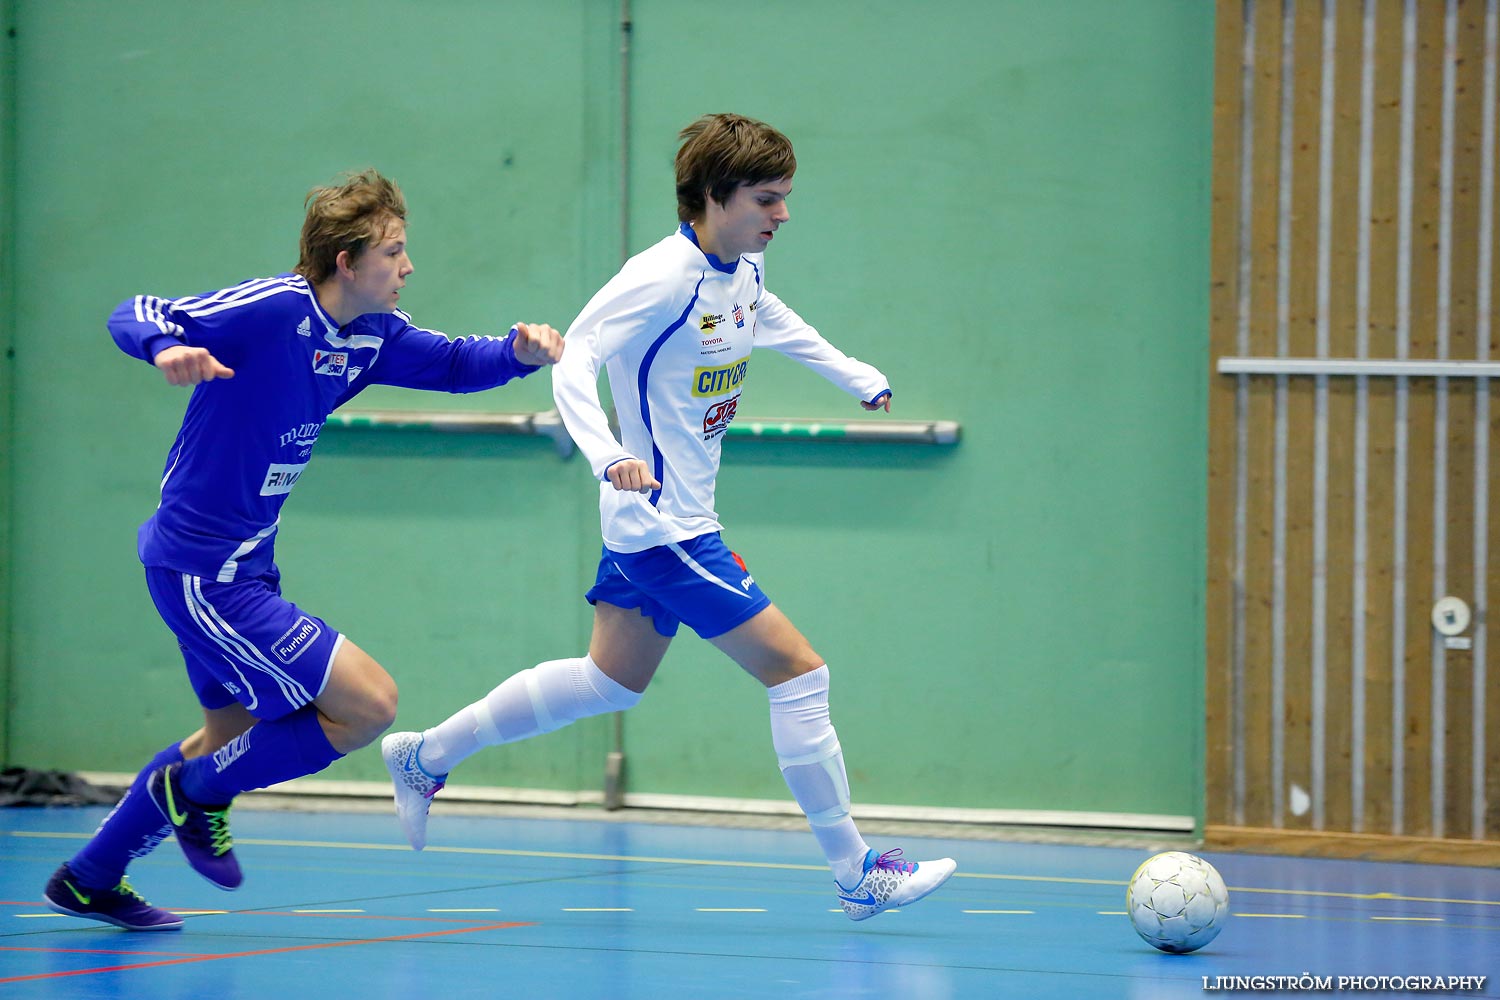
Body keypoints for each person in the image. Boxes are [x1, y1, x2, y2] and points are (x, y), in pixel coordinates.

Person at [382, 114, 955, 922]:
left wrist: (853, 374)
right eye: (766, 199)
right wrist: (606, 455)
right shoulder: (658, 277)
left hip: (663, 525)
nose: (781, 215)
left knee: (607, 684)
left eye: (785, 198)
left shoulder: (740, 269)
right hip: (667, 527)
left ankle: (424, 756)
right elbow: (574, 355)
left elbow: (768, 317)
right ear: (714, 197)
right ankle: (857, 873)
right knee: (800, 674)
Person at [42, 169, 564, 931]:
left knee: (228, 740)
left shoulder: (372, 335)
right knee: (367, 706)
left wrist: (520, 352)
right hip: (203, 572)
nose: (408, 267)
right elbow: (139, 310)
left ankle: (89, 878)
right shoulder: (269, 310)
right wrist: (162, 348)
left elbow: (455, 364)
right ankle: (191, 795)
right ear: (345, 262)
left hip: (246, 563)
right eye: (393, 252)